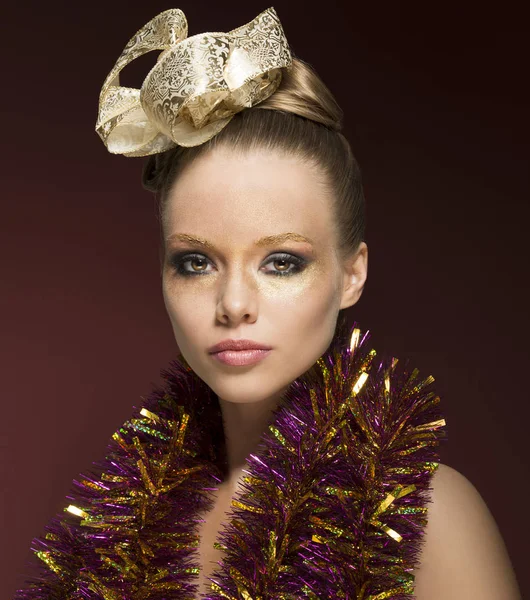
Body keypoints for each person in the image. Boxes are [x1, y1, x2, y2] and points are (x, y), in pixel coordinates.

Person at [15, 7, 521, 600]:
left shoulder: (426, 516)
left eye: (282, 262)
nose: (233, 303)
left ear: (351, 274)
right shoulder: (117, 516)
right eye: (196, 262)